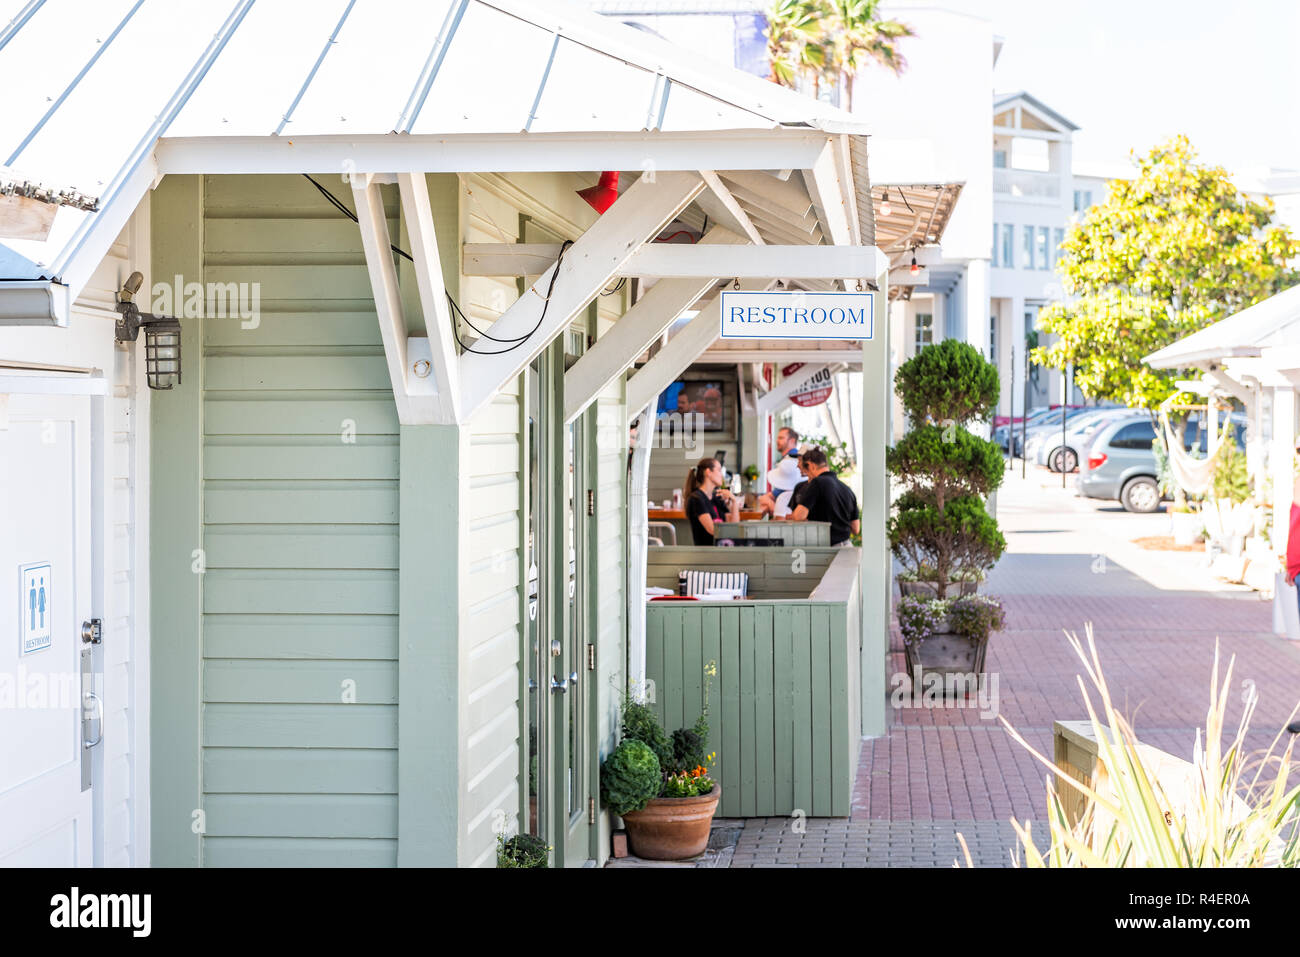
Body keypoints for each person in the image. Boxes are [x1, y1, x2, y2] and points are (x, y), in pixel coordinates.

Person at [790, 448, 860, 546]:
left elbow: (798, 516)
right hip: (847, 547)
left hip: (829, 550)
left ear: (811, 465)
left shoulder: (817, 482)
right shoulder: (847, 489)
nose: (808, 477)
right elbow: (856, 529)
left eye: (806, 471)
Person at [684, 457, 740, 546]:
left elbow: (734, 527)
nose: (722, 475)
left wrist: (734, 502)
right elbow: (713, 530)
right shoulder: (696, 498)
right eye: (719, 470)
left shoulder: (717, 497)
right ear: (708, 472)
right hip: (707, 553)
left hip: (722, 550)